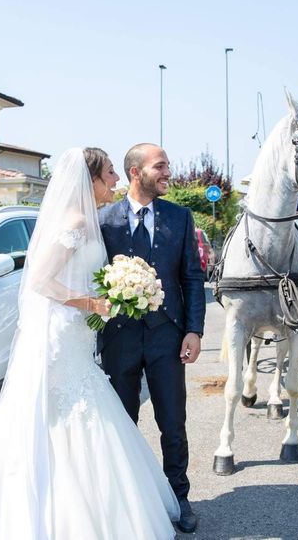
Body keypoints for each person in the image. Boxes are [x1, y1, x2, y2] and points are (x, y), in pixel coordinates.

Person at [0, 148, 180, 540]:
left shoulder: (89, 222)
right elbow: (40, 280)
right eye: (109, 173)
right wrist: (91, 302)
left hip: (77, 332)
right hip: (61, 335)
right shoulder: (73, 221)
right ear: (89, 178)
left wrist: (116, 291)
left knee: (81, 414)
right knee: (62, 418)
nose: (114, 181)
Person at [98, 143, 206, 534]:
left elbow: (192, 277)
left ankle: (179, 495)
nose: (167, 173)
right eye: (160, 166)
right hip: (119, 339)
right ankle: (129, 500)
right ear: (134, 172)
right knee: (123, 424)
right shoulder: (103, 220)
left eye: (167, 165)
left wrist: (194, 329)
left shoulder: (180, 217)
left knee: (172, 422)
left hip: (167, 337)